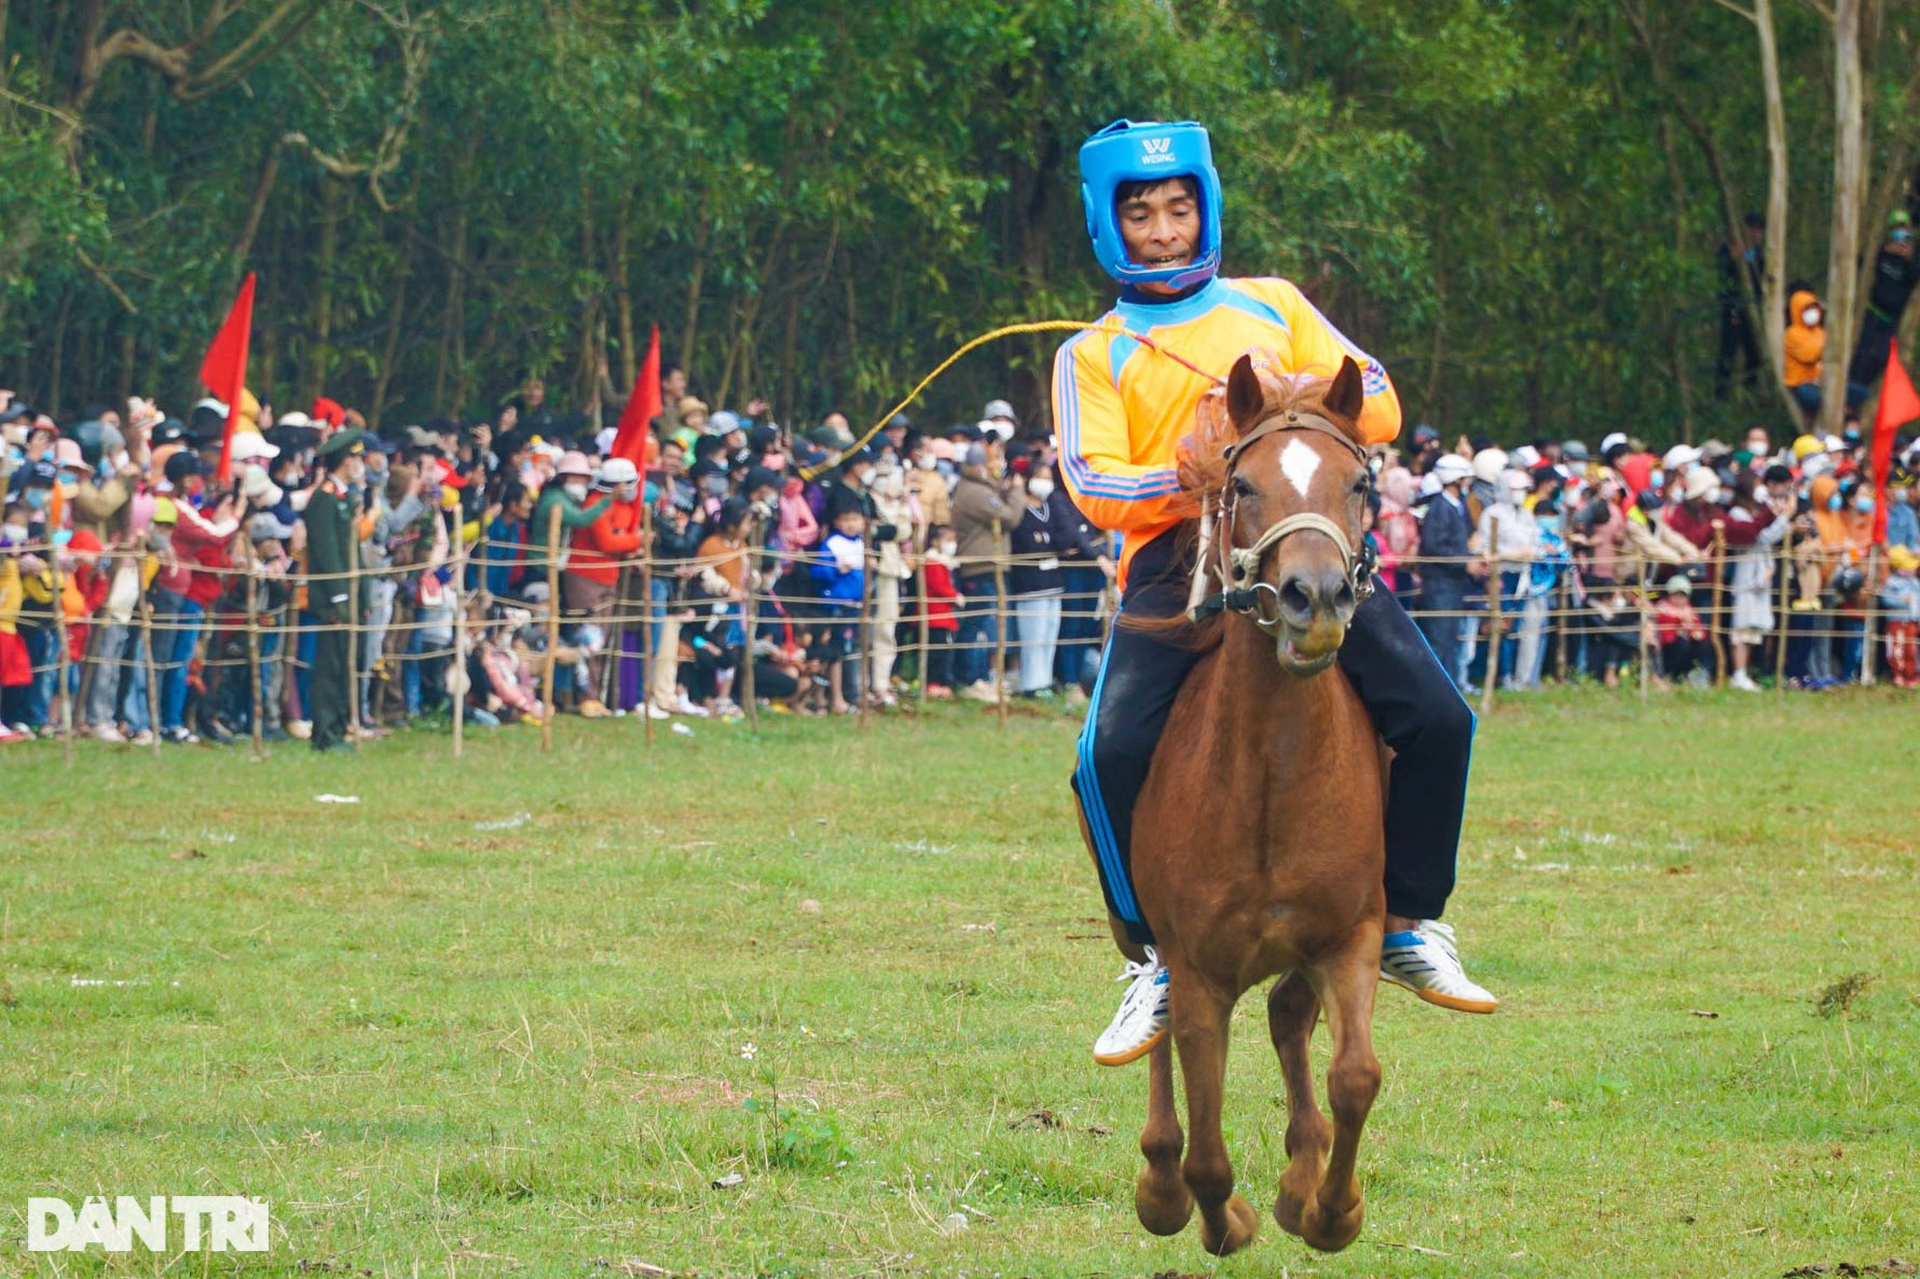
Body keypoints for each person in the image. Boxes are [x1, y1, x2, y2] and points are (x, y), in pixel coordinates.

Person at [1056, 119, 1495, 1069]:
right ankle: (1154, 959)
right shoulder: (1095, 350)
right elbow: (1090, 481)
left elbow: (1374, 397)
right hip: (1177, 563)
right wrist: (1199, 474)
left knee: (1440, 716)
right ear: (1109, 225)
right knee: (1105, 751)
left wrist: (1298, 393)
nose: (1166, 229)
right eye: (1143, 215)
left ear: (1207, 208)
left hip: (1301, 537)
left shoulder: (1275, 303)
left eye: (1181, 208)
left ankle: (1413, 919)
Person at [305, 429, 366, 751]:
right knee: (330, 668)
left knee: (346, 666)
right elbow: (328, 554)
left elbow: (355, 552)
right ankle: (326, 734)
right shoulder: (324, 498)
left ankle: (340, 727)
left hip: (350, 594)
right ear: (343, 461)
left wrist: (363, 596)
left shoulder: (346, 498)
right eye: (355, 457)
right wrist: (340, 597)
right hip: (332, 598)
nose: (359, 463)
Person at [1848, 210, 1920, 402]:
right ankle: (1852, 389)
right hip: (1873, 309)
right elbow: (1860, 263)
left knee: (1881, 356)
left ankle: (1863, 389)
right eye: (1896, 229)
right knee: (1861, 352)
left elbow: (1915, 281)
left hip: (1893, 316)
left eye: (1903, 229)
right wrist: (1885, 251)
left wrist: (1909, 259)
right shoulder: (1881, 249)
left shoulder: (1914, 253)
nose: (1900, 234)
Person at [1715, 213, 1765, 400]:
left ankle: (1750, 393)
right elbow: (1721, 274)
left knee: (1755, 354)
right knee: (1728, 352)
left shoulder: (1760, 254)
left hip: (1752, 311)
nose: (1755, 233)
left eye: (1758, 230)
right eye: (1752, 228)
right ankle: (1721, 395)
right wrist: (1733, 257)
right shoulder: (1727, 249)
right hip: (1732, 309)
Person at [1784, 288, 1827, 421]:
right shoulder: (1792, 334)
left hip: (1823, 382)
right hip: (1801, 384)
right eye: (1807, 308)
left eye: (1814, 307)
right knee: (1812, 398)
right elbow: (1809, 356)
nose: (1812, 312)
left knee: (1861, 394)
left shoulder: (1821, 333)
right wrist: (1826, 349)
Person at [1881, 543, 1920, 688]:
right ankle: (1897, 674)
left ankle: (1910, 675)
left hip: (1912, 620)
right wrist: (1900, 601)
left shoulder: (1915, 582)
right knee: (1897, 649)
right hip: (1897, 621)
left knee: (1911, 648)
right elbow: (1885, 599)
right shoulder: (1892, 583)